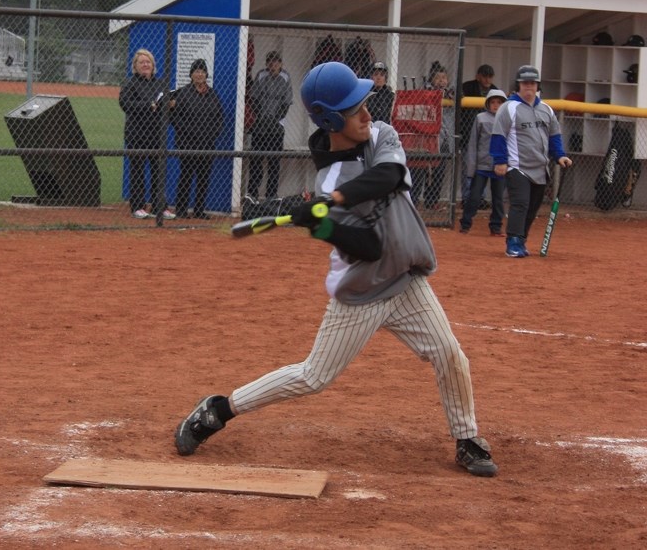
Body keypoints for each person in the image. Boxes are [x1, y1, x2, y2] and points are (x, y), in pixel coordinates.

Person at [174, 61, 499, 478]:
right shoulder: (330, 179)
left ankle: (467, 437)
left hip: (406, 279)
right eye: (354, 109)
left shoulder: (381, 134)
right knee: (313, 377)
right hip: (362, 289)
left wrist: (334, 203)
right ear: (330, 119)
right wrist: (322, 224)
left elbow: (389, 176)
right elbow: (367, 246)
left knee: (450, 353)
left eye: (364, 103)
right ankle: (218, 409)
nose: (366, 113)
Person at [490, 65, 573, 257]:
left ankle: (522, 239)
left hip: (540, 167)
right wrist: (500, 161)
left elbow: (554, 136)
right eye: (525, 83)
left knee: (534, 206)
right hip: (517, 166)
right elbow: (498, 136)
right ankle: (513, 241)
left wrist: (559, 155)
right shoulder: (508, 108)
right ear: (518, 85)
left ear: (538, 86)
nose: (529, 86)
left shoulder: (546, 110)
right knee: (520, 203)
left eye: (533, 83)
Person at [119, 48, 176, 220]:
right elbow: (125, 104)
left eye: (148, 62)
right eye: (142, 62)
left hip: (156, 134)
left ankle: (160, 207)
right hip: (137, 135)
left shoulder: (160, 83)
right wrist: (147, 105)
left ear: (153, 65)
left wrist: (169, 104)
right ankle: (138, 206)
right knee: (137, 172)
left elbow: (163, 106)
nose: (145, 64)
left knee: (158, 172)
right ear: (135, 66)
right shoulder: (131, 84)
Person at [169, 59, 224, 219]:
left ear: (206, 74)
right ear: (191, 75)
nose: (199, 74)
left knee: (203, 178)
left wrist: (212, 134)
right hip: (187, 143)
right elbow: (174, 118)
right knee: (186, 176)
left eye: (202, 71)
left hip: (207, 144)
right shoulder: (183, 93)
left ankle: (199, 210)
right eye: (196, 71)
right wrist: (189, 132)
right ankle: (181, 210)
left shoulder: (212, 94)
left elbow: (219, 118)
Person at [459, 89, 508, 235]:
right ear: (487, 103)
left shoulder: (508, 120)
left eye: (499, 102)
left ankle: (496, 227)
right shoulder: (480, 118)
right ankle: (466, 224)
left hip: (499, 165)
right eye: (492, 102)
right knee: (474, 196)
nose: (495, 105)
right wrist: (471, 168)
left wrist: (507, 163)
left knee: (498, 198)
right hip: (481, 165)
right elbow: (473, 143)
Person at [247, 51, 293, 200]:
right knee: (256, 162)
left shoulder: (285, 77)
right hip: (260, 125)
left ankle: (271, 196)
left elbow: (286, 103)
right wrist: (260, 117)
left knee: (274, 163)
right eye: (270, 62)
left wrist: (274, 120)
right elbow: (253, 99)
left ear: (281, 64)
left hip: (276, 126)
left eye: (276, 62)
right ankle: (252, 194)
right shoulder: (261, 75)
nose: (273, 65)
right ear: (266, 64)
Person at [411, 61, 455, 210]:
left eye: (444, 78)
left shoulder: (450, 93)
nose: (442, 81)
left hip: (443, 137)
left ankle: (432, 201)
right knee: (420, 169)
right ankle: (414, 200)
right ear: (432, 79)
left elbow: (457, 95)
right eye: (438, 78)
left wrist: (448, 92)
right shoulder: (425, 90)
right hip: (426, 137)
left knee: (439, 170)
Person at [460, 64, 499, 204]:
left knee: (485, 169)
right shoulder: (468, 87)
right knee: (468, 167)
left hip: (488, 137)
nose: (487, 79)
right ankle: (467, 198)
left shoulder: (495, 91)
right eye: (484, 76)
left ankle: (480, 199)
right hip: (468, 133)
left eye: (490, 76)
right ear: (478, 76)